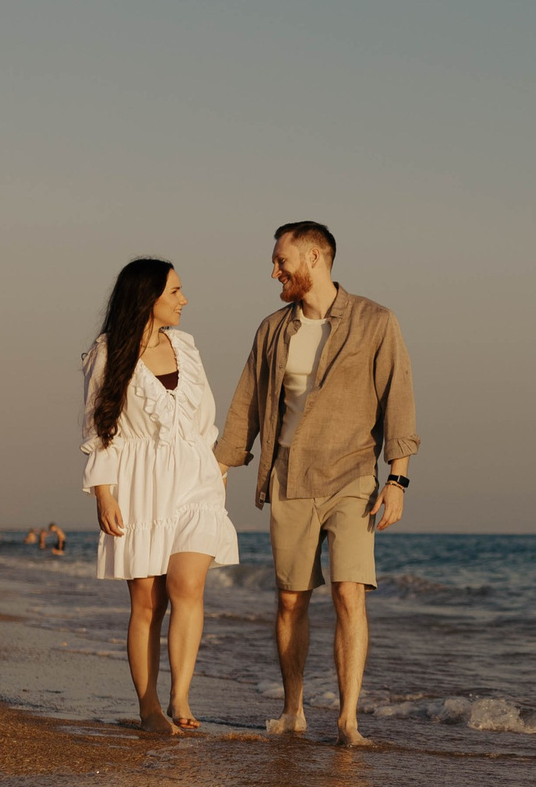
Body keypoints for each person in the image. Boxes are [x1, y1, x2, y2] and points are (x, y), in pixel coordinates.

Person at [217, 221, 417, 747]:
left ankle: (348, 719)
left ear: (314, 259)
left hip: (353, 477)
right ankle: (293, 710)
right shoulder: (272, 330)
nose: (274, 270)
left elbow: (398, 400)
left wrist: (397, 478)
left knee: (351, 592)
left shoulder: (376, 321)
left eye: (282, 261)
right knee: (291, 601)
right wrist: (221, 466)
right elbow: (246, 403)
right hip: (289, 477)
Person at [83, 257, 240, 736]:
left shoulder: (187, 346)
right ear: (147, 297)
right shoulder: (107, 353)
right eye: (174, 292)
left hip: (196, 479)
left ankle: (181, 696)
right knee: (148, 602)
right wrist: (104, 493)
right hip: (139, 484)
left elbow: (205, 417)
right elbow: (98, 427)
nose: (184, 300)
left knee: (188, 584)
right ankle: (148, 705)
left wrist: (218, 467)